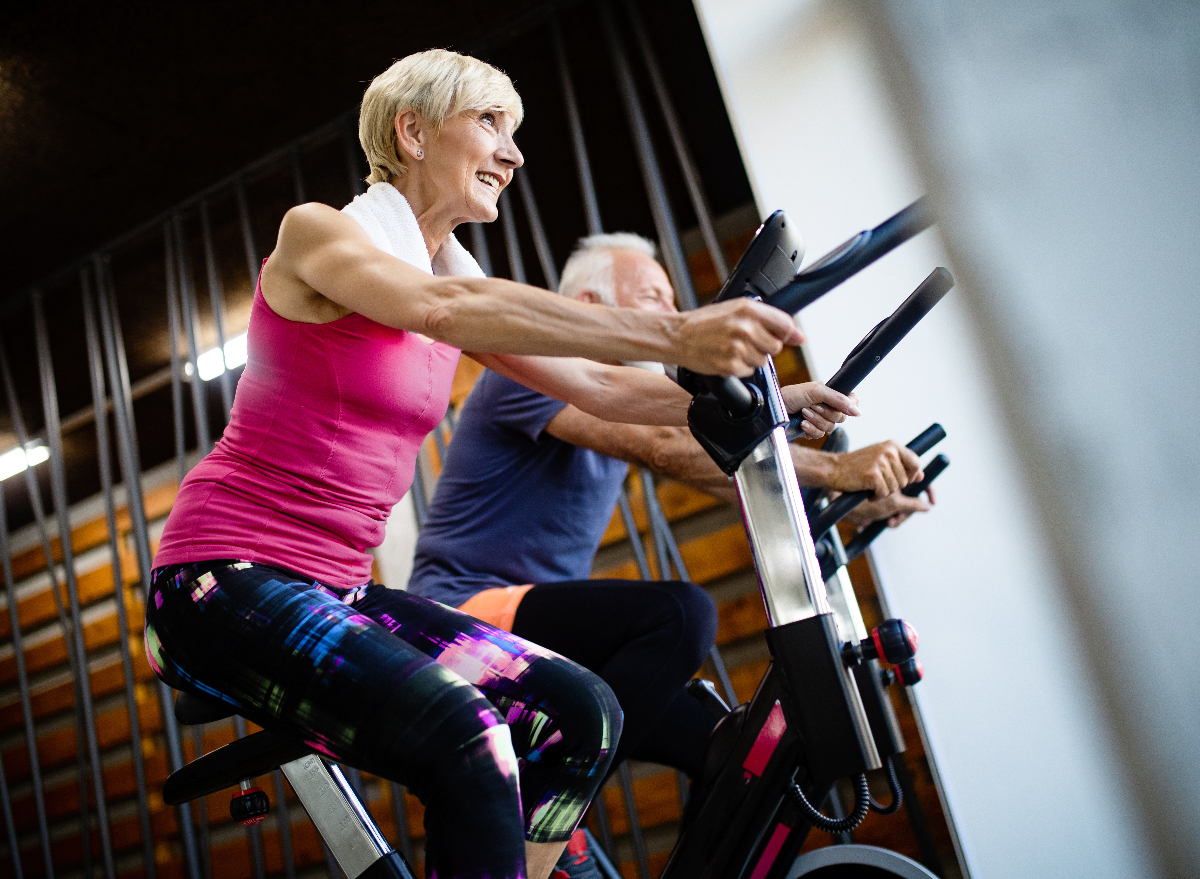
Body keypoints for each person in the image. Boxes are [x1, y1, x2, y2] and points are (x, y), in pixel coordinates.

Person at [142, 50, 841, 879]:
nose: (512, 154)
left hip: (343, 590)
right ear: (410, 132)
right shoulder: (322, 235)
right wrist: (678, 334)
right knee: (469, 735)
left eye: (515, 133)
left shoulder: (450, 272)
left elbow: (601, 390)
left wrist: (773, 401)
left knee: (587, 711)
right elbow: (446, 308)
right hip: (220, 579)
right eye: (489, 125)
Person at [407, 233, 933, 873]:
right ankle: (542, 818)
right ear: (592, 301)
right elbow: (661, 448)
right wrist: (835, 467)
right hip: (459, 619)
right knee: (680, 615)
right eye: (655, 296)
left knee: (732, 749)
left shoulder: (615, 394)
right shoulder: (533, 363)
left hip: (538, 643)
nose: (671, 313)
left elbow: (723, 470)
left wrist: (859, 492)